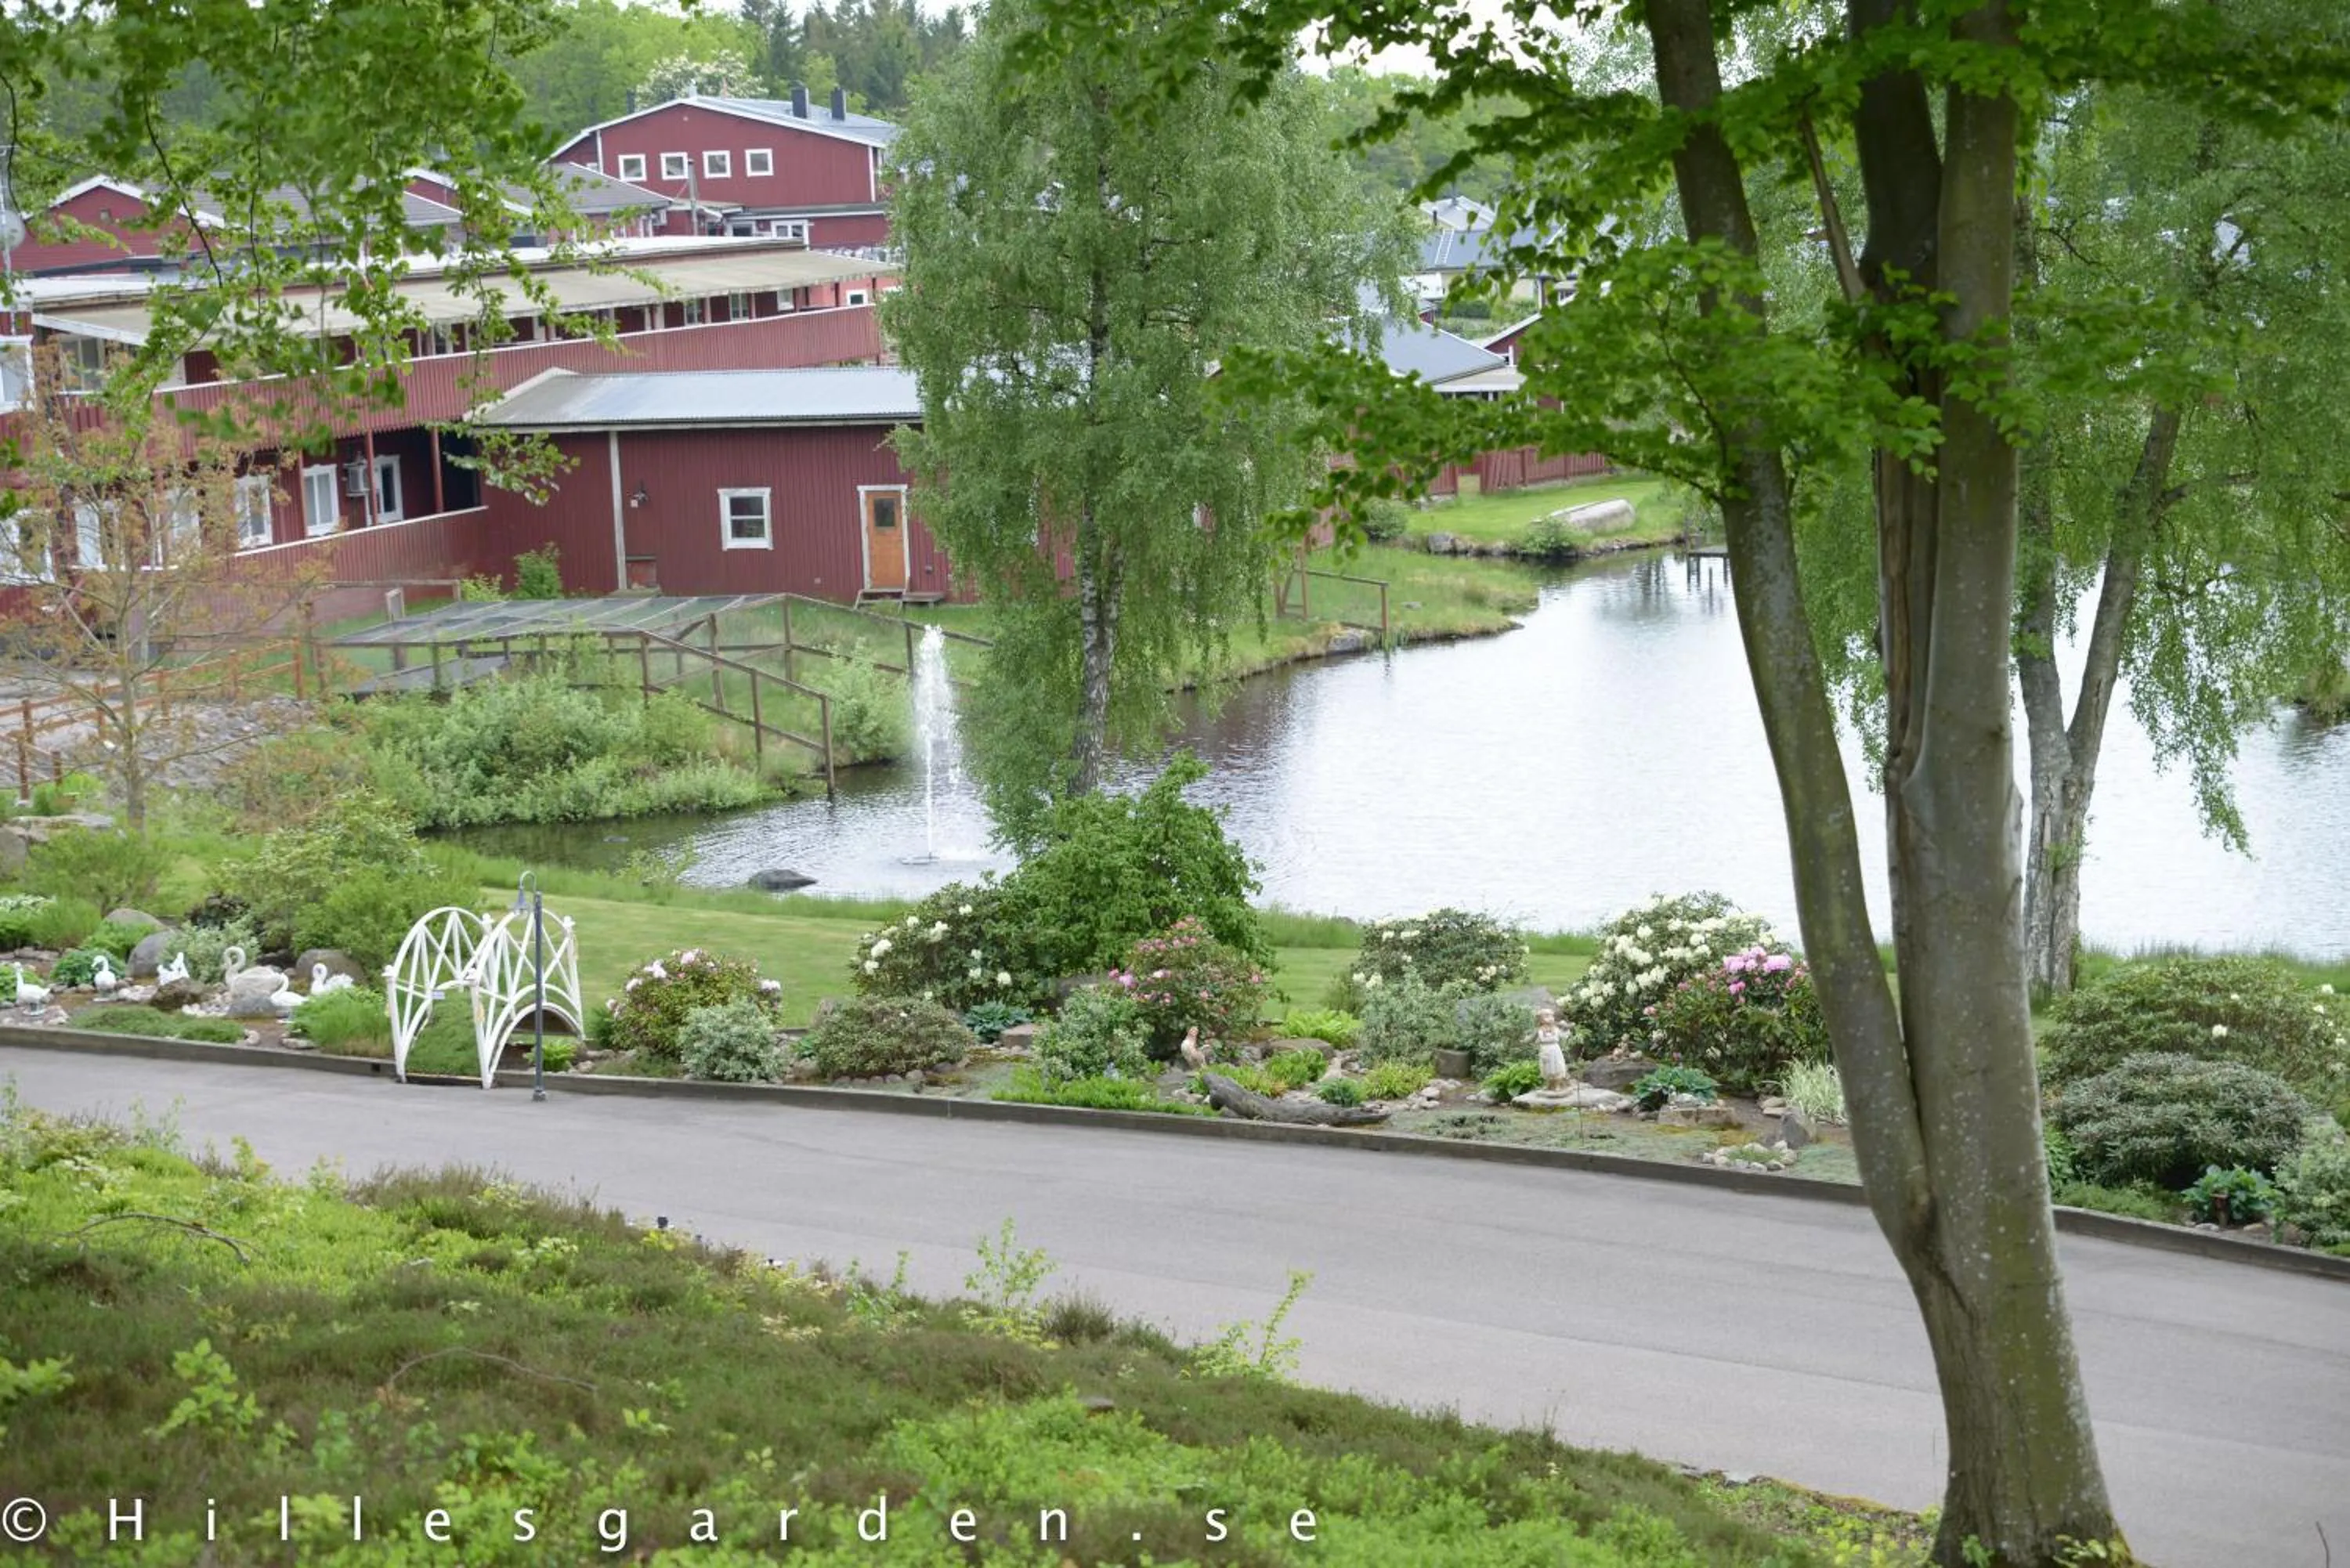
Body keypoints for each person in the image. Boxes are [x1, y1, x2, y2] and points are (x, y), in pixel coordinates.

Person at [1535, 1008, 1569, 1089]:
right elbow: (1539, 1040)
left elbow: (1563, 1036)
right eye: (1547, 1016)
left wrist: (1565, 1028)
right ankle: (1549, 1084)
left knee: (1557, 1066)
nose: (1550, 1018)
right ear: (1540, 1020)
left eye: (1551, 1016)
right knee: (1547, 1067)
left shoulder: (1556, 1029)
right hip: (1545, 1050)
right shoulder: (1540, 1030)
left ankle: (1557, 1084)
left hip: (1554, 1049)